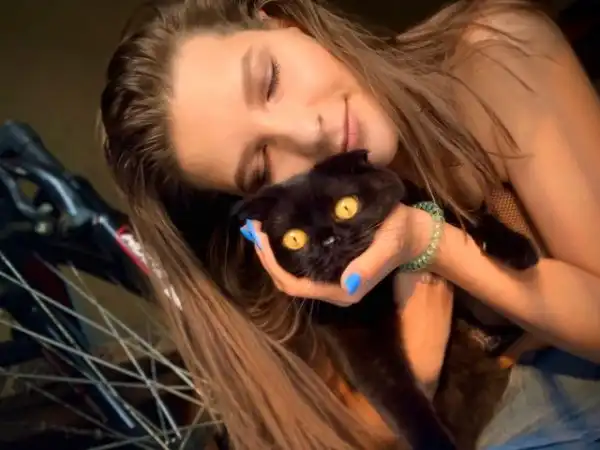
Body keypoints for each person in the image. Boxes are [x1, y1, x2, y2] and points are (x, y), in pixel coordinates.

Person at [100, 0, 600, 448]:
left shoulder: (497, 56)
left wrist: (429, 242)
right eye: (260, 166)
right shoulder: (293, 248)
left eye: (270, 81)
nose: (307, 131)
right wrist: (417, 374)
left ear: (284, 20)